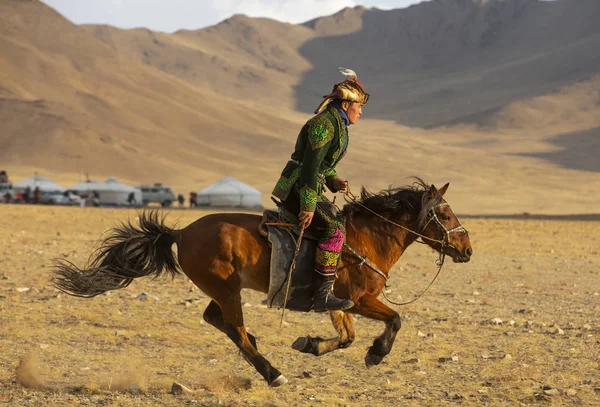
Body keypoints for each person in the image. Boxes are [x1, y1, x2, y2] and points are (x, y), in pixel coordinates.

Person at [272, 67, 369, 312]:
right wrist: (307, 206)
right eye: (359, 106)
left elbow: (323, 165)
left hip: (309, 184)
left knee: (339, 220)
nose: (361, 112)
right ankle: (321, 295)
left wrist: (333, 180)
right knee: (334, 230)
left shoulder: (338, 124)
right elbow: (309, 167)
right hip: (298, 187)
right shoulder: (324, 125)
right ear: (346, 104)